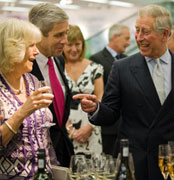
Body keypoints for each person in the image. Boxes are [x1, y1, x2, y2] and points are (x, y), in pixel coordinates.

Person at [73, 4, 174, 180]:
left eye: (145, 31)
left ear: (165, 34)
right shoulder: (122, 68)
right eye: (136, 30)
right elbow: (110, 112)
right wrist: (95, 108)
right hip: (134, 162)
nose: (138, 38)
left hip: (172, 161)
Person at [0, 18, 58, 179]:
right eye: (31, 45)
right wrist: (23, 111)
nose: (37, 51)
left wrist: (54, 165)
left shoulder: (32, 80)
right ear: (13, 48)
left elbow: (43, 135)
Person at [29, 3, 74, 167]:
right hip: (38, 157)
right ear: (38, 35)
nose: (66, 41)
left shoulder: (58, 59)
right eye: (58, 35)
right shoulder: (25, 67)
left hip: (63, 150)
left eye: (66, 33)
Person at [90, 24, 130, 155]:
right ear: (115, 37)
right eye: (126, 38)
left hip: (125, 126)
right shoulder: (96, 59)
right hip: (108, 127)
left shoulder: (127, 59)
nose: (129, 43)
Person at [64, 25, 104, 155]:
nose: (74, 49)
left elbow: (100, 96)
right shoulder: (57, 69)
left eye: (77, 44)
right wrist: (70, 129)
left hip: (91, 128)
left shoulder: (95, 68)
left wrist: (89, 127)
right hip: (65, 130)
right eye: (69, 45)